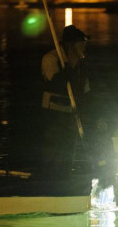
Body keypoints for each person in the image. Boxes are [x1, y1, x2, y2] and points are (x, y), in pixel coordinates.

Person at [38, 25, 94, 179]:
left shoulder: (81, 65)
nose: (84, 47)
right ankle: (48, 184)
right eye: (81, 43)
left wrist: (92, 116)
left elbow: (86, 92)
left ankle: (66, 182)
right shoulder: (51, 59)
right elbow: (56, 83)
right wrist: (69, 67)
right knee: (53, 156)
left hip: (72, 118)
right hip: (53, 117)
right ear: (71, 45)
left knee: (68, 155)